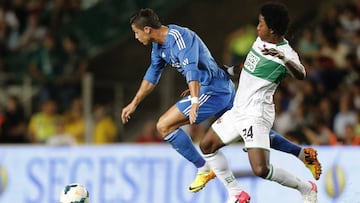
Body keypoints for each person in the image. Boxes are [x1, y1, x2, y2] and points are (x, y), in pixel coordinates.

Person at [122, 8, 321, 198]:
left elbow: (191, 69)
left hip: (214, 91)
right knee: (235, 136)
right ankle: (302, 154)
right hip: (222, 91)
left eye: (135, 32)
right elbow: (152, 74)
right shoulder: (159, 46)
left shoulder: (180, 38)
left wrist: (194, 99)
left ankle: (204, 168)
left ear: (147, 29)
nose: (135, 37)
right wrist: (134, 103)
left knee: (164, 125)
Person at [197, 2, 318, 202]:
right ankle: (236, 194)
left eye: (261, 24)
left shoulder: (285, 52)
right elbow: (246, 65)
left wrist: (283, 59)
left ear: (271, 29)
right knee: (207, 145)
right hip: (239, 109)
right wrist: (226, 72)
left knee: (260, 169)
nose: (257, 27)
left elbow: (302, 74)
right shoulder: (260, 41)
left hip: (256, 113)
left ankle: (305, 187)